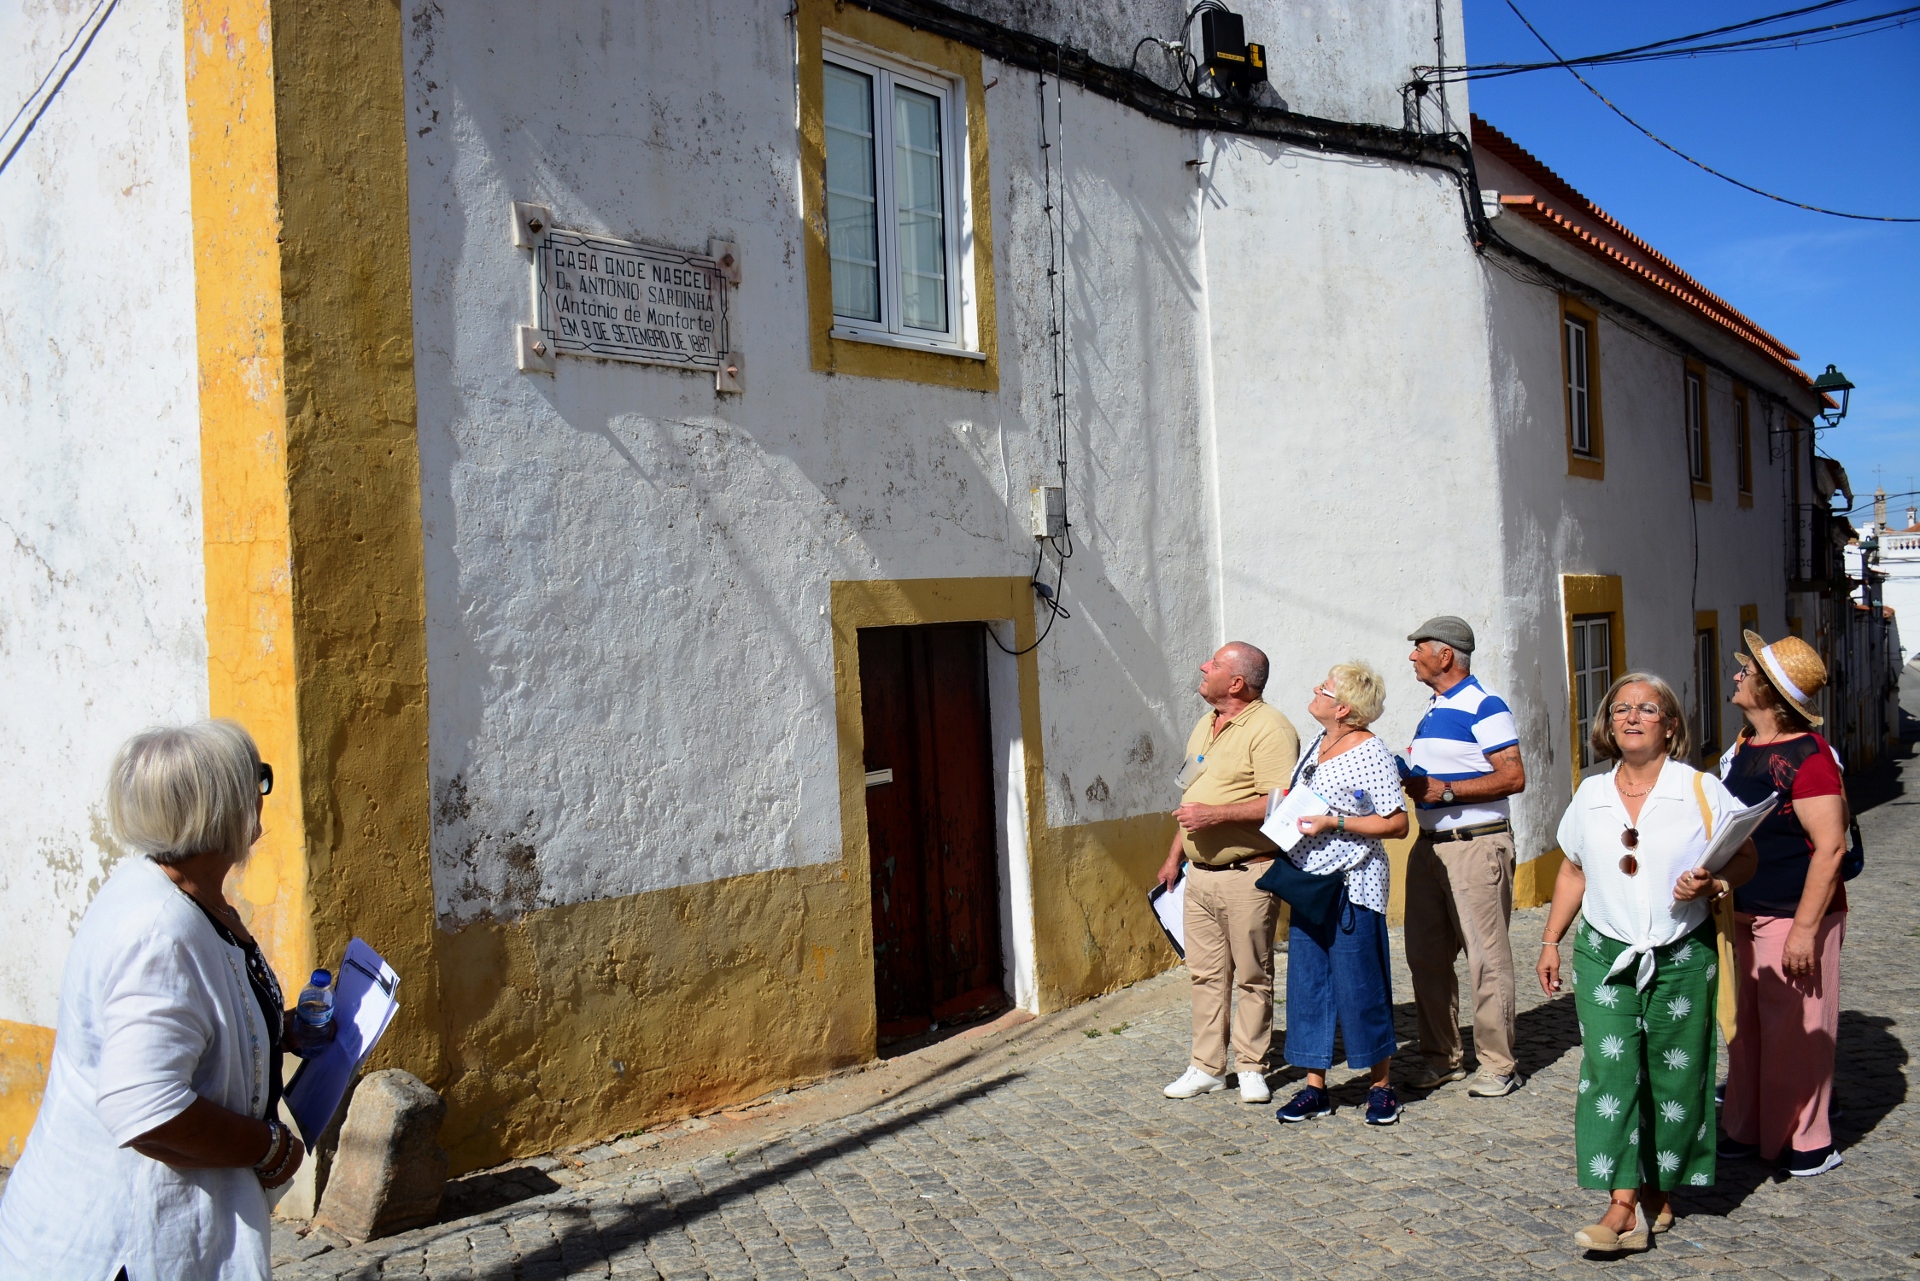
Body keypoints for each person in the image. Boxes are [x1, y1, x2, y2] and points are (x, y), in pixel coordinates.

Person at [0, 721, 316, 1280]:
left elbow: (197, 1023)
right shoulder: (160, 930)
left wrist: (276, 1032)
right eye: (255, 781)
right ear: (220, 808)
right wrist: (268, 1149)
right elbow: (147, 1109)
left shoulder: (180, 893)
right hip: (118, 1246)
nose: (260, 795)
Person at [1535, 674, 1756, 1254]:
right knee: (1610, 1076)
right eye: (1621, 709)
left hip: (1683, 955)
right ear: (1609, 725)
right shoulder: (1591, 794)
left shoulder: (1699, 790)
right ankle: (1621, 1203)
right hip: (1605, 954)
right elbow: (1573, 869)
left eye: (1647, 709)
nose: (1632, 717)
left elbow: (1747, 855)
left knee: (1675, 1078)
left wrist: (1715, 881)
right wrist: (1552, 939)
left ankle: (1662, 1190)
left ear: (1671, 725)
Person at [1717, 630, 1850, 1177]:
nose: (1736, 675)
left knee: (1797, 1031)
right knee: (1744, 1030)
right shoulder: (1746, 747)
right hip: (1742, 909)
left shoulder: (1809, 757)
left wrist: (1803, 931)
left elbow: (1831, 847)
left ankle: (1807, 1139)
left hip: (1793, 912)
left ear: (1770, 692)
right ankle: (1746, 1128)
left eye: (1746, 672)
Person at [1157, 642, 1301, 1104]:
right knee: (1204, 974)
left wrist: (1215, 817)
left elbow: (1279, 802)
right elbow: (1191, 793)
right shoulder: (1206, 724)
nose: (1203, 666)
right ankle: (1206, 1066)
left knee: (1253, 975)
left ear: (1236, 682)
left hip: (1248, 874)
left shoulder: (1271, 728)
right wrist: (1175, 854)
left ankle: (1252, 1066)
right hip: (1198, 876)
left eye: (1215, 664)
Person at [1270, 663, 1410, 1126]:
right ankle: (1315, 1089)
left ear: (1343, 708)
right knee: (1308, 985)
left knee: (1360, 983)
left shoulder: (1370, 752)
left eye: (1324, 687)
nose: (1315, 689)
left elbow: (1395, 822)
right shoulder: (1320, 740)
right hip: (1311, 881)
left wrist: (1337, 822)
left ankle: (1380, 1087)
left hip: (1354, 882)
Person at [1400, 616, 1529, 1097]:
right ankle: (1442, 1059)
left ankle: (1498, 1064)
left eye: (1419, 648)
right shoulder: (1434, 708)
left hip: (1476, 845)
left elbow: (1513, 776)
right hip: (1429, 847)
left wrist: (1446, 791)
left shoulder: (1485, 704)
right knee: (1425, 958)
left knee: (1485, 959)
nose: (1412, 656)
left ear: (1446, 654)